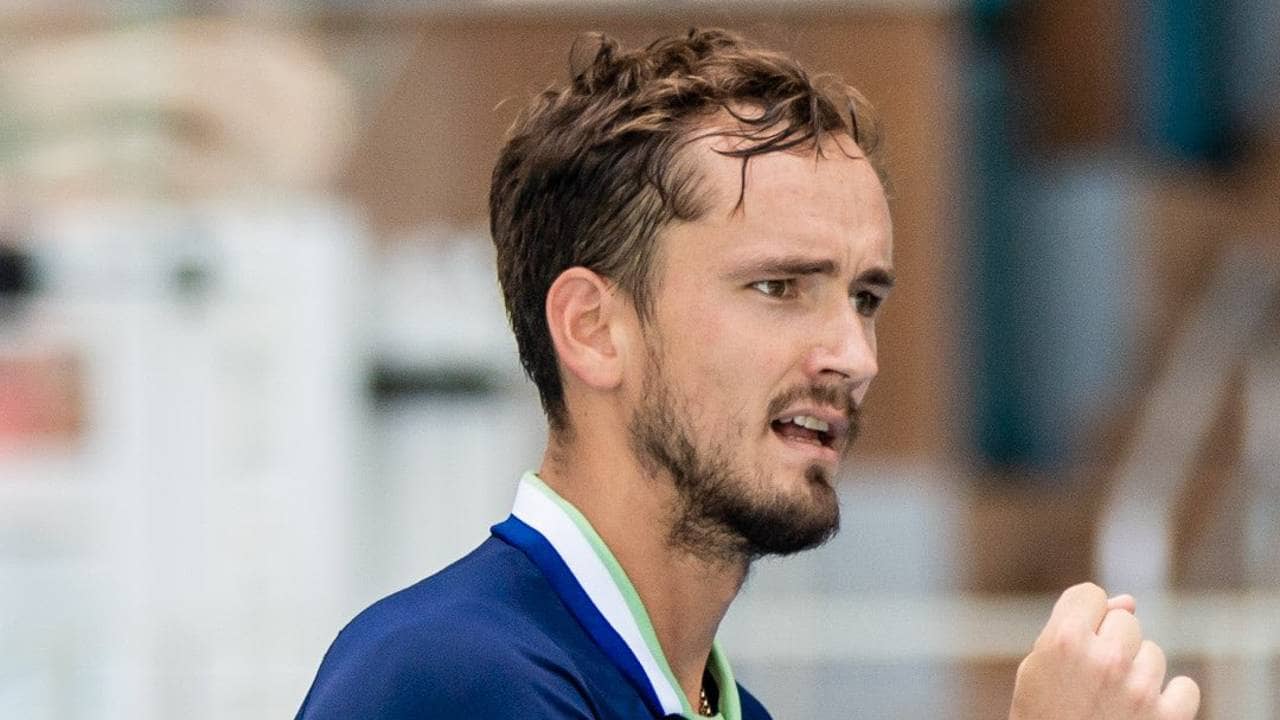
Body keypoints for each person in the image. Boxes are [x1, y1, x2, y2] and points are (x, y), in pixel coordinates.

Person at [295, 28, 1200, 720]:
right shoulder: (448, 680)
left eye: (865, 298)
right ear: (593, 329)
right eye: (779, 287)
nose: (854, 356)